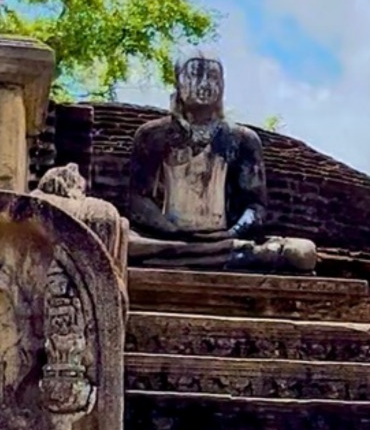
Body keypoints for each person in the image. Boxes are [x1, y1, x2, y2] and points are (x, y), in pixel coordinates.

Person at [125, 53, 315, 271]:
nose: (205, 84)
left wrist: (231, 232)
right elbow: (138, 201)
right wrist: (172, 230)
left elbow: (255, 206)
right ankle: (192, 254)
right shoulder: (153, 135)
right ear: (179, 81)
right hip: (168, 239)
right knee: (128, 243)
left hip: (224, 240)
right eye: (195, 75)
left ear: (223, 84)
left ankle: (194, 255)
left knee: (302, 253)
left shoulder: (243, 139)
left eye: (213, 77)